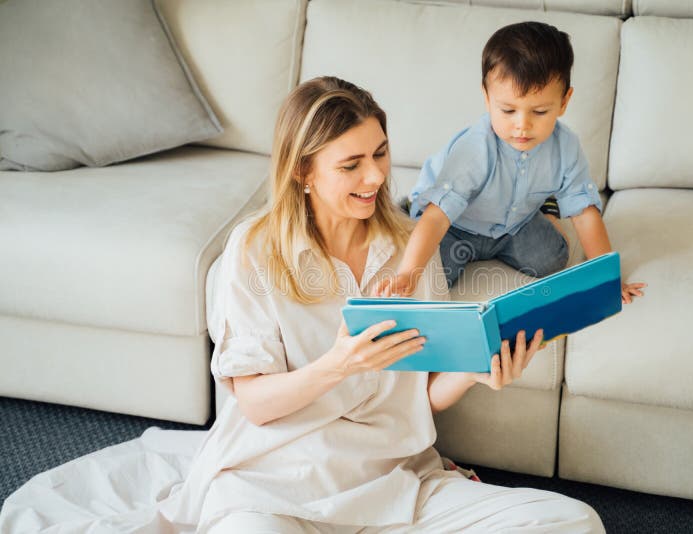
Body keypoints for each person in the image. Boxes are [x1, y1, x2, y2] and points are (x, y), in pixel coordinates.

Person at [0, 76, 604, 533]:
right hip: (272, 480)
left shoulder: (405, 249)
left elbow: (419, 397)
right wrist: (337, 365)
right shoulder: (255, 251)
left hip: (392, 479)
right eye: (352, 164)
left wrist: (476, 371)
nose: (375, 178)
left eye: (381, 154)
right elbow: (255, 403)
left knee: (574, 523)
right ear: (303, 172)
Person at [376, 22, 646, 304]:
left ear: (564, 102)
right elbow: (438, 217)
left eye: (540, 111)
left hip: (513, 224)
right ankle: (409, 209)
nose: (522, 126)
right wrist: (409, 272)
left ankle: (546, 208)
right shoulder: (476, 148)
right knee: (435, 275)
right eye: (507, 110)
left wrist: (608, 279)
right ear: (487, 98)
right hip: (455, 224)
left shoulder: (566, 147)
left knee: (552, 259)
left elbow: (585, 213)